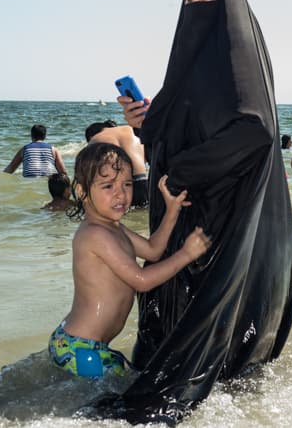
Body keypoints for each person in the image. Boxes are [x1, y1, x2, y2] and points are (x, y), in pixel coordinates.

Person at [92, 0, 292, 422]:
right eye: (187, 1)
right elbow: (181, 134)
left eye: (206, 1)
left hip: (216, 215)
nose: (195, 10)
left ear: (229, 8)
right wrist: (146, 123)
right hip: (185, 207)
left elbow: (254, 132)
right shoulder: (192, 70)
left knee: (204, 316)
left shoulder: (238, 67)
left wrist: (181, 171)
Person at [49, 143, 211, 378]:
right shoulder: (96, 234)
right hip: (81, 348)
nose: (121, 194)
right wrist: (186, 254)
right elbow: (142, 281)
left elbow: (153, 250)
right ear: (83, 192)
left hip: (81, 344)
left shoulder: (114, 228)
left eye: (127, 184)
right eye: (108, 186)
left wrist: (171, 211)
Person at [85, 120, 149, 209]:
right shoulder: (129, 130)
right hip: (143, 181)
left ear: (91, 136)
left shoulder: (95, 139)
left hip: (123, 186)